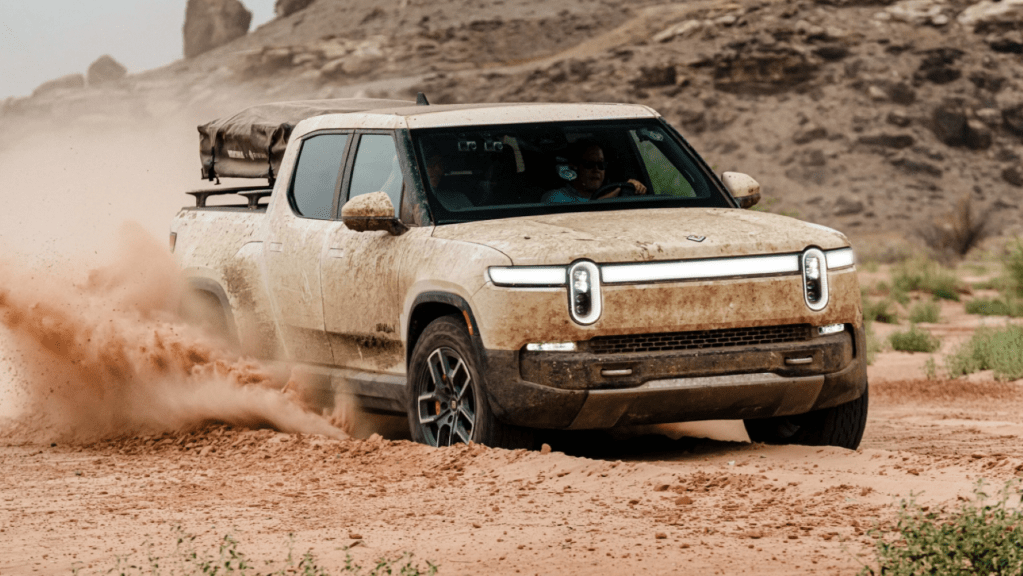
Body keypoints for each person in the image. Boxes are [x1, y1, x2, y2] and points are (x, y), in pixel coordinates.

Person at [541, 141, 648, 204]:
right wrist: (616, 193)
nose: (596, 169)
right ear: (574, 167)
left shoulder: (614, 193)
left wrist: (636, 188)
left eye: (601, 165)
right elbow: (581, 215)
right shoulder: (554, 197)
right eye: (589, 164)